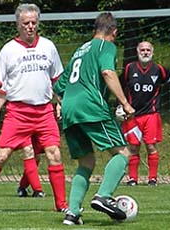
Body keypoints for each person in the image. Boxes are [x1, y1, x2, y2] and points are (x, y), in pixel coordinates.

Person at [0, 3, 68, 214]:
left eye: (33, 23)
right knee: (2, 156)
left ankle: (62, 205)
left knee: (54, 154)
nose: (30, 26)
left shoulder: (48, 46)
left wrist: (61, 101)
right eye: (26, 23)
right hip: (17, 113)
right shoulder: (8, 50)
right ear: (18, 25)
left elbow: (57, 79)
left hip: (44, 112)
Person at [53, 12, 135, 225]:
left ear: (94, 30)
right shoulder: (105, 46)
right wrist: (125, 103)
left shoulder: (79, 51)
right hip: (91, 107)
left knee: (86, 162)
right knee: (124, 152)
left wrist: (61, 104)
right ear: (114, 32)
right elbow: (108, 72)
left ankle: (72, 213)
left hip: (70, 109)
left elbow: (58, 86)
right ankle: (104, 196)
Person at [120, 41, 170, 186]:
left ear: (152, 52)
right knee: (133, 147)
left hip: (151, 114)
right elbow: (120, 86)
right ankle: (133, 179)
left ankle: (153, 179)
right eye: (142, 50)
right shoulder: (129, 68)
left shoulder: (158, 69)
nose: (145, 52)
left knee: (151, 146)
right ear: (137, 52)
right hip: (132, 115)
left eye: (148, 50)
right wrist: (119, 105)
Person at [0, 93, 45, 198]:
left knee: (36, 156)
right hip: (20, 117)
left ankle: (23, 187)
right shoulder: (15, 78)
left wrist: (59, 104)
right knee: (27, 150)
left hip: (40, 115)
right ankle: (38, 190)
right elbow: (3, 91)